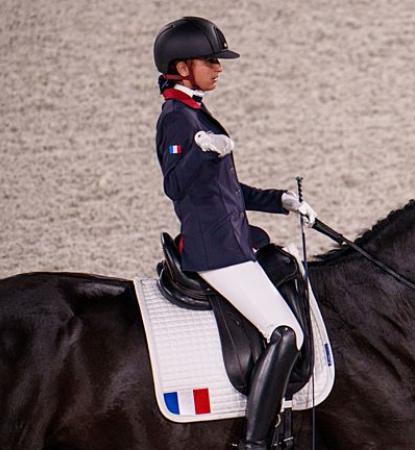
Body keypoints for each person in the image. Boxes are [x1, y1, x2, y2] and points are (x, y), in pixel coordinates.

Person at [153, 16, 316, 450]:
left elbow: (226, 191)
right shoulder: (176, 118)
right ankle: (255, 442)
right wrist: (200, 153)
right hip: (215, 251)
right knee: (286, 332)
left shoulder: (195, 112)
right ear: (182, 67)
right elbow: (176, 185)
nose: (218, 68)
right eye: (210, 61)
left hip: (234, 237)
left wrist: (279, 200)